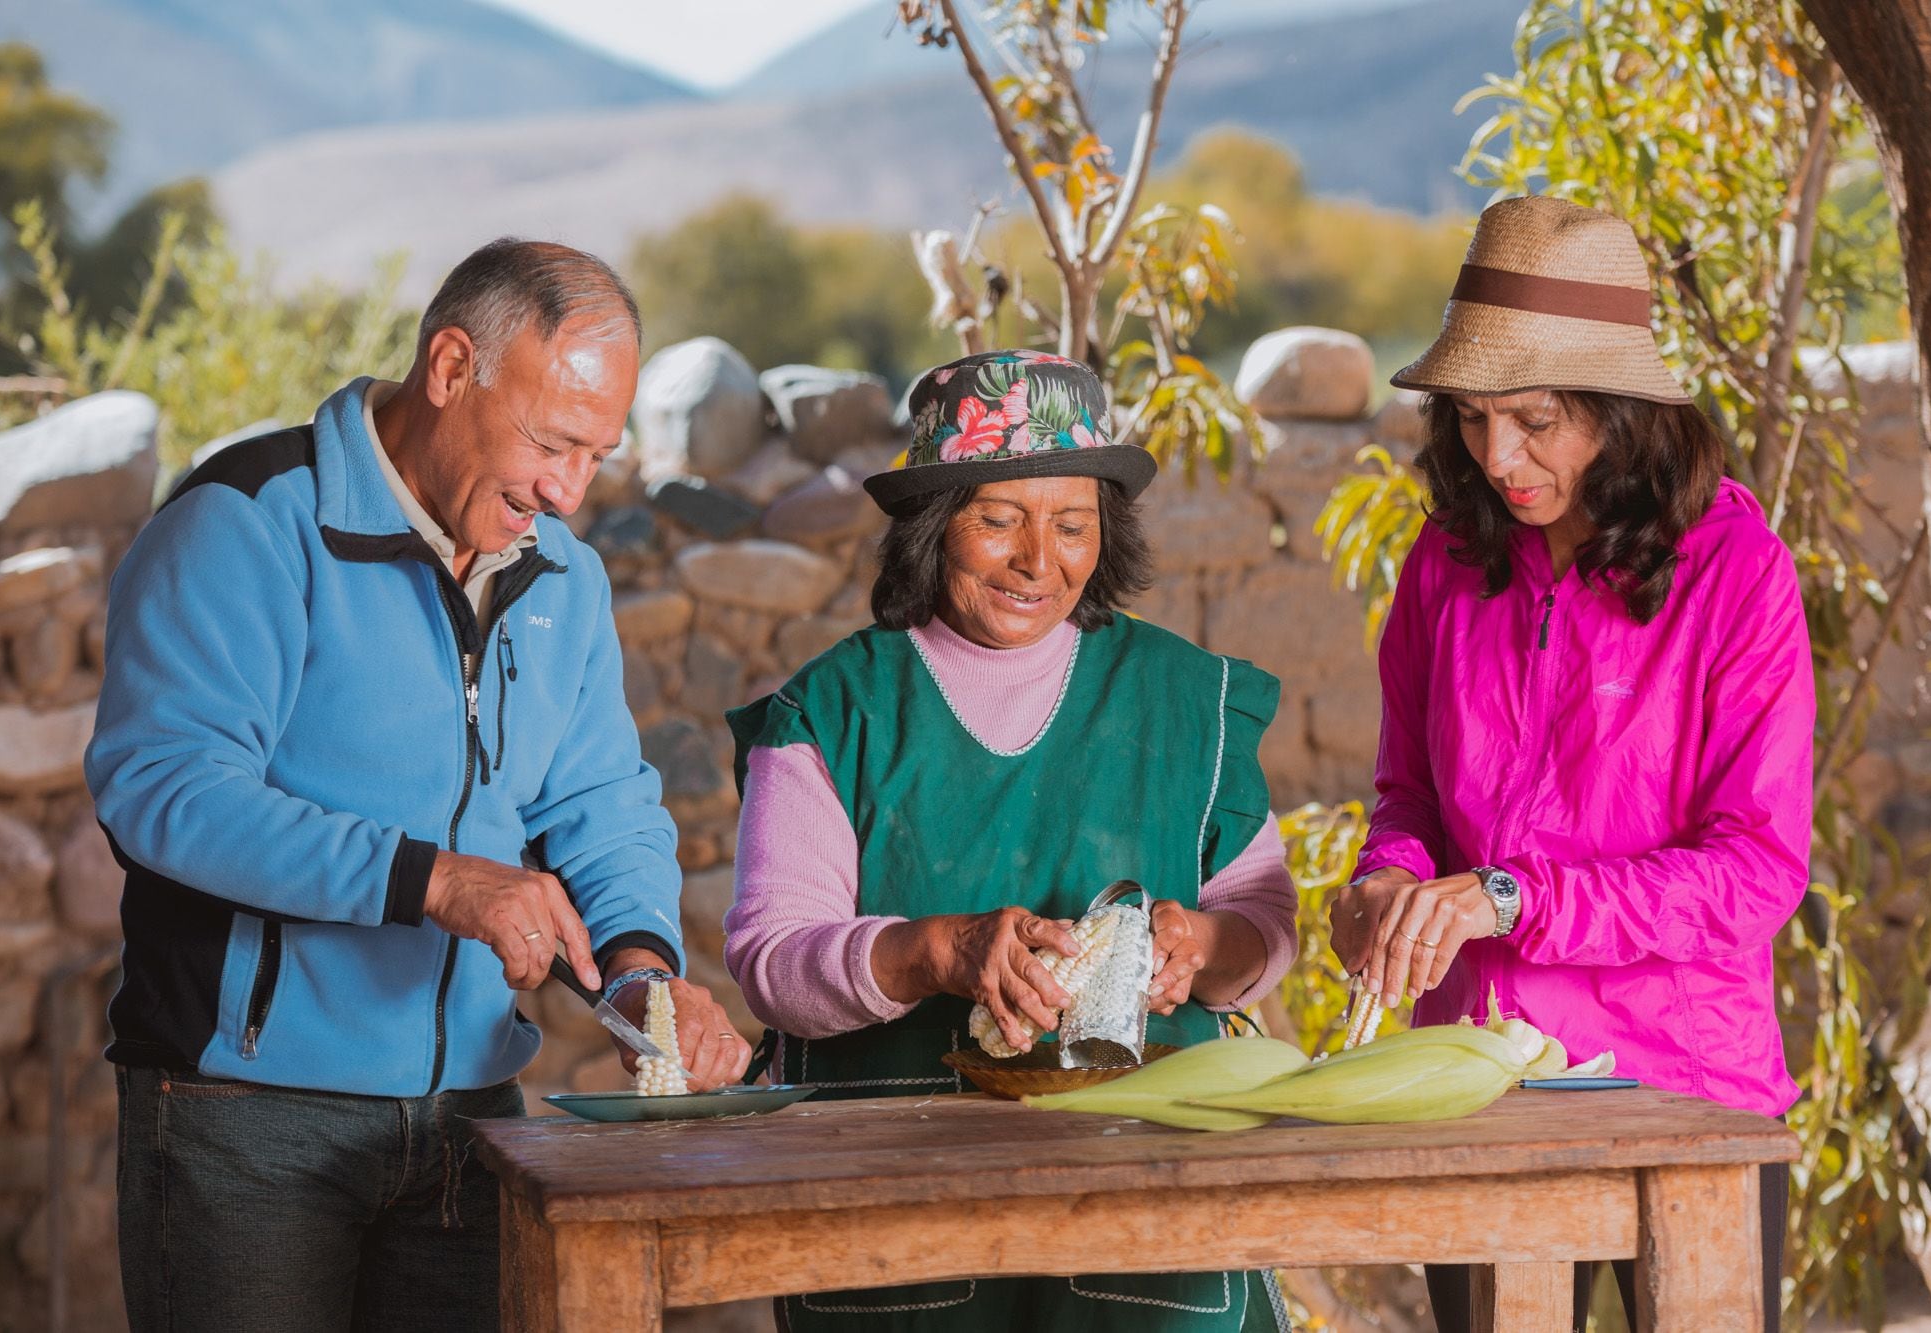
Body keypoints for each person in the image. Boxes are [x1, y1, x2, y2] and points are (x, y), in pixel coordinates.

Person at [86, 238, 750, 1331]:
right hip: (244, 1117)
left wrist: (639, 975)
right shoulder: (248, 520)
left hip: (474, 1121)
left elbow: (597, 802)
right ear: (450, 368)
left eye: (596, 454)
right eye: (549, 441)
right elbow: (164, 786)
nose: (566, 489)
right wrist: (434, 882)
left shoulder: (564, 576)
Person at [723, 349, 1301, 1332]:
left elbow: (1261, 921)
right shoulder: (834, 711)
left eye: (1072, 525)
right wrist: (931, 952)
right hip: (897, 1223)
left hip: (1145, 1216)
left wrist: (1201, 950)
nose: (1041, 560)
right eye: (1000, 520)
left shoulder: (1180, 699)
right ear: (932, 524)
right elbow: (772, 964)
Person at [1329, 196, 1814, 1332]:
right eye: (1469, 417)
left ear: (1620, 408)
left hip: (1682, 1096)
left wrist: (1510, 897)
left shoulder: (1732, 569)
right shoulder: (1445, 562)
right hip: (1473, 1088)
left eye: (1536, 419)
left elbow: (1753, 870)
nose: (1497, 457)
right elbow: (1406, 792)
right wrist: (1388, 880)